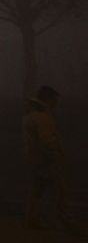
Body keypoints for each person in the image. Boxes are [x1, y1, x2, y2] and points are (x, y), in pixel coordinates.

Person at [23, 86, 79, 233]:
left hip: (36, 160)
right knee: (61, 191)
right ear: (48, 99)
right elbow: (48, 140)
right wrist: (56, 156)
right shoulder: (43, 117)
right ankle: (66, 220)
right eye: (54, 99)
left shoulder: (31, 116)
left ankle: (32, 218)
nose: (56, 102)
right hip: (48, 161)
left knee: (37, 190)